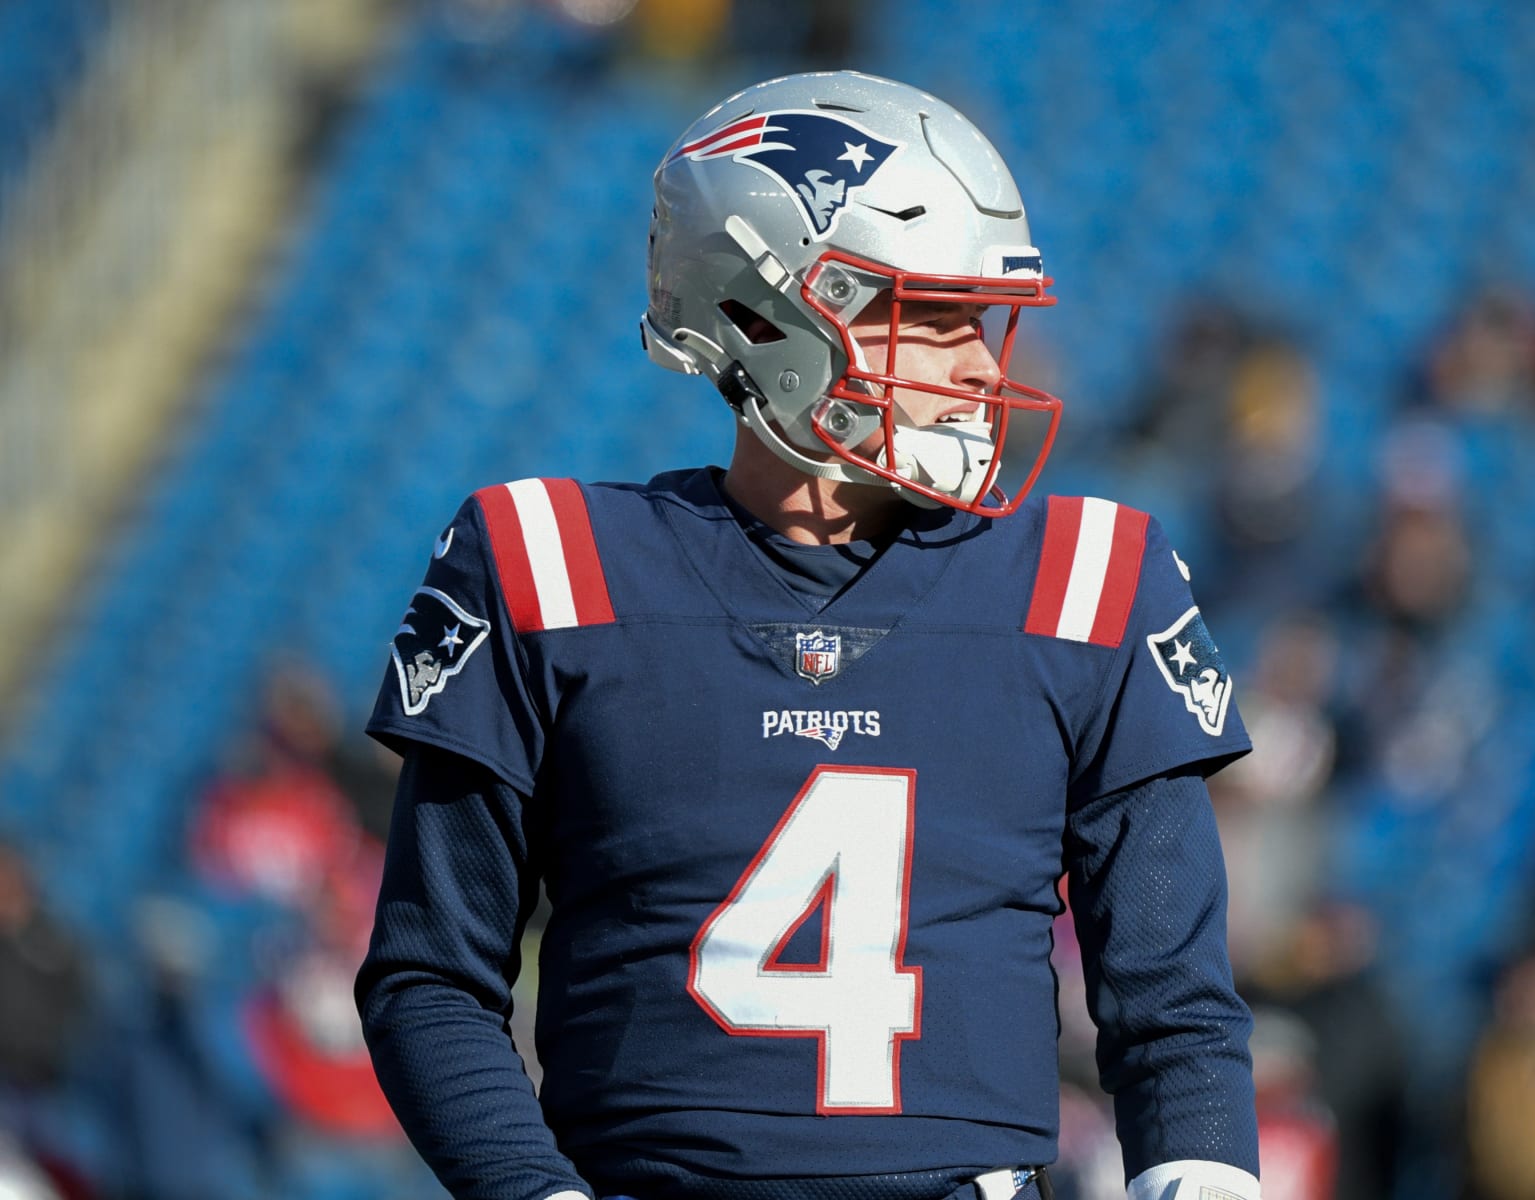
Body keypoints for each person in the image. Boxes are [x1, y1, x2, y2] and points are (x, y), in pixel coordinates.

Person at [355, 70, 1259, 1200]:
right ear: (765, 313)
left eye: (982, 321)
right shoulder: (547, 563)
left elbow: (1175, 1004)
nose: (983, 366)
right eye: (933, 317)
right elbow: (431, 979)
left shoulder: (1090, 582)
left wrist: (1201, 1175)